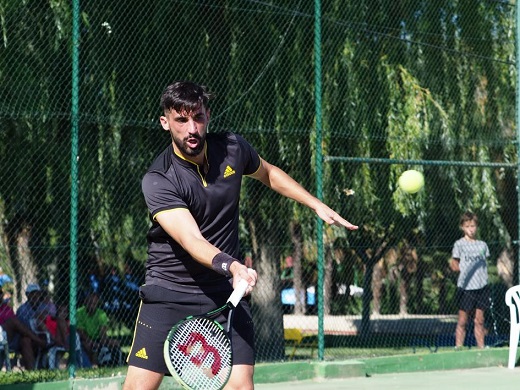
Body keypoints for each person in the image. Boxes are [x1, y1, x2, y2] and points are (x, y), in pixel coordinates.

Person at [122, 81, 358, 390]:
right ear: (165, 122)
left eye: (199, 118)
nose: (192, 128)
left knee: (240, 386)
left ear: (209, 116)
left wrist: (315, 204)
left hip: (224, 292)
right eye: (182, 120)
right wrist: (233, 267)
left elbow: (269, 173)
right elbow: (191, 241)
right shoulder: (159, 179)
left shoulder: (232, 148)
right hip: (170, 291)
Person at [450, 211, 490, 349]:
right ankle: (458, 347)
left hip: (481, 287)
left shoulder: (482, 245)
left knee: (479, 320)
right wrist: (457, 268)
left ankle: (481, 348)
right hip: (466, 288)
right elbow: (454, 263)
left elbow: (484, 264)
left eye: (473, 226)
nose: (471, 229)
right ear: (462, 227)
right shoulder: (459, 244)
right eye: (468, 226)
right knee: (462, 320)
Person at [0, 289, 46, 370]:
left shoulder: (6, 308)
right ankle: (38, 340)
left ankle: (31, 373)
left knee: (25, 340)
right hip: (2, 335)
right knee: (12, 322)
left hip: (10, 338)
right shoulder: (22, 309)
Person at [77, 292, 121, 367]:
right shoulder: (79, 312)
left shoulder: (101, 314)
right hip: (85, 339)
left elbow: (103, 332)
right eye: (90, 302)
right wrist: (91, 342)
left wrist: (102, 342)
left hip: (99, 339)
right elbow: (81, 332)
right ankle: (93, 365)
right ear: (85, 302)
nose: (92, 305)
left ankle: (116, 363)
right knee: (88, 345)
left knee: (115, 343)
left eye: (94, 303)